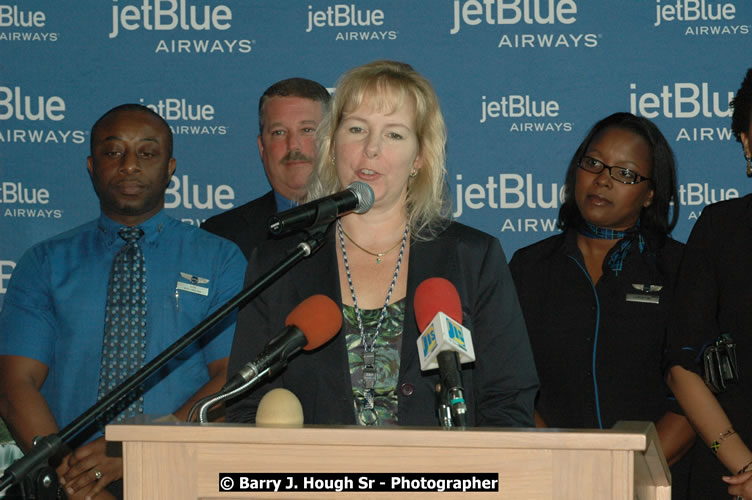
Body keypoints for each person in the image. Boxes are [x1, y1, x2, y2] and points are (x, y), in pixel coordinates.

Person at [226, 60, 538, 427]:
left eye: (394, 134)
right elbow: (244, 407)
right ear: (332, 145)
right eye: (357, 129)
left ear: (419, 157)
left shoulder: (473, 257)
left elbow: (508, 404)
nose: (371, 149)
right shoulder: (280, 263)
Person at [0, 104, 246, 499]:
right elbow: (16, 384)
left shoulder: (219, 259)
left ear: (170, 168)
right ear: (91, 166)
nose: (129, 165)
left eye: (147, 153)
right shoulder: (45, 263)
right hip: (69, 478)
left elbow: (231, 377)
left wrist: (139, 448)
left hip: (183, 472)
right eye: (113, 152)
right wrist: (72, 479)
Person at [509, 112, 695, 498]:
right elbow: (510, 387)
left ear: (650, 194)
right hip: (551, 480)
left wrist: (624, 475)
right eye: (593, 163)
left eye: (625, 173)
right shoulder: (528, 266)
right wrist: (565, 470)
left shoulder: (682, 269)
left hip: (655, 483)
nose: (603, 179)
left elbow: (695, 396)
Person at [665, 68, 752, 499]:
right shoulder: (721, 228)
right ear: (748, 142)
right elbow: (682, 367)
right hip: (732, 474)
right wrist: (745, 466)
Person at [201, 78, 331, 259]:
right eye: (279, 132)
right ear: (262, 147)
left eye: (307, 130)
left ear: (332, 141)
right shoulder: (220, 236)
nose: (293, 145)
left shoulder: (367, 226)